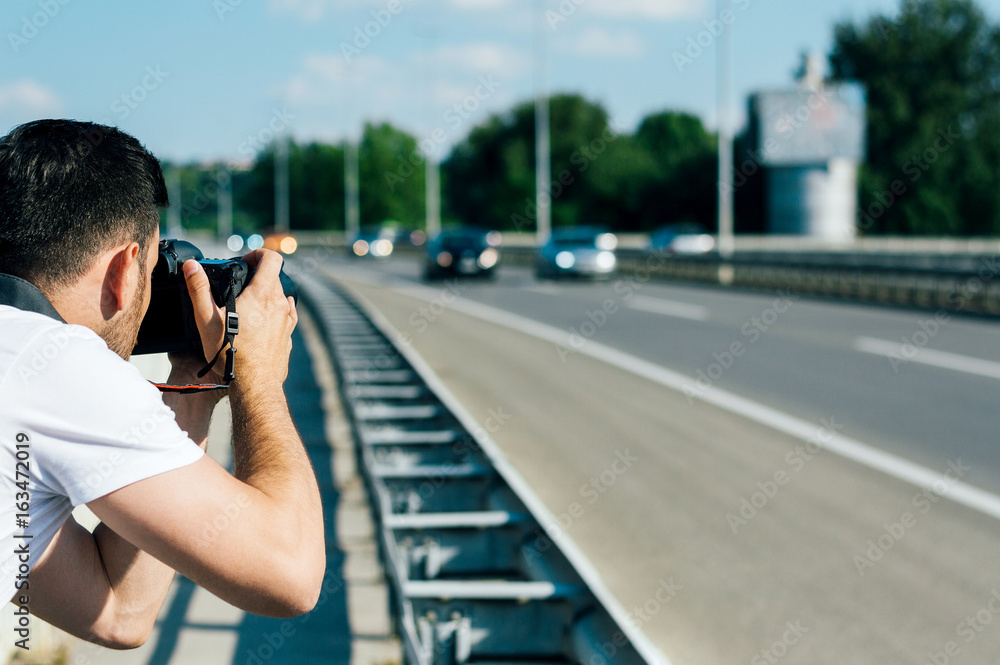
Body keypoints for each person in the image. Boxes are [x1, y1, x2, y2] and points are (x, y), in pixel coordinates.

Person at [0, 119, 325, 649]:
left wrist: (190, 388)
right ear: (127, 269)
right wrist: (259, 377)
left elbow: (118, 615)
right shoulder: (54, 360)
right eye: (155, 269)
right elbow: (292, 574)